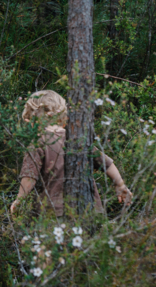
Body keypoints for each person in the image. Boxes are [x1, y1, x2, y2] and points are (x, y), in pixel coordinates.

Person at [10, 90, 133, 218]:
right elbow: (107, 164)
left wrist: (20, 200)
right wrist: (120, 185)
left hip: (54, 212)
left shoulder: (37, 144)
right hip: (89, 209)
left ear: (33, 119)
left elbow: (29, 178)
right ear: (63, 116)